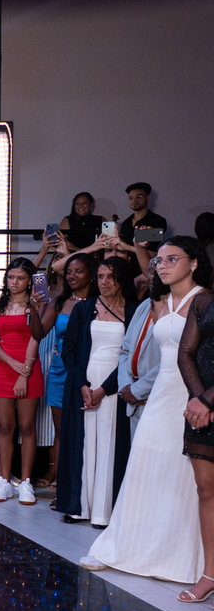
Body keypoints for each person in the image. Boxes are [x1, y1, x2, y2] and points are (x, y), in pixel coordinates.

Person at [80, 237, 208, 582]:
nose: (162, 266)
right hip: (161, 393)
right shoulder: (160, 301)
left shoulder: (203, 300)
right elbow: (135, 349)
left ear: (194, 262)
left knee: (181, 474)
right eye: (159, 261)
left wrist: (202, 398)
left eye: (172, 259)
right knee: (144, 466)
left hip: (188, 393)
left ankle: (176, 556)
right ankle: (127, 547)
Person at [56, 257, 140, 527]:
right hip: (84, 383)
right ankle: (79, 507)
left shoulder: (134, 311)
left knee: (110, 444)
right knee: (82, 444)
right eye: (100, 277)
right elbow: (69, 350)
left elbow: (132, 355)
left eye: (110, 277)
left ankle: (104, 512)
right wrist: (82, 384)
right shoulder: (84, 309)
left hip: (114, 385)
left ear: (121, 280)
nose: (104, 282)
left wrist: (105, 389)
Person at [31, 253, 96, 503]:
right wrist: (34, 309)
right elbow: (38, 333)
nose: (72, 276)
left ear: (91, 273)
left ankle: (89, 487)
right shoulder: (60, 302)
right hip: (60, 370)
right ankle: (62, 487)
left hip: (90, 370)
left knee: (88, 429)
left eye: (78, 271)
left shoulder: (100, 301)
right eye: (69, 271)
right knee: (62, 431)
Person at [0, 257, 44, 505]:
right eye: (11, 277)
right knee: (5, 427)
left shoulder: (36, 304)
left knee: (27, 426)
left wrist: (24, 372)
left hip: (29, 368)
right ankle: (3, 481)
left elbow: (36, 338)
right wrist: (12, 364)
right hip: (2, 367)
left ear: (29, 281)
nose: (14, 282)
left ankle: (26, 483)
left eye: (20, 278)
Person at [180, 276, 214, 604]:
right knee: (206, 489)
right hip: (200, 407)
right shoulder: (203, 300)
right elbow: (186, 353)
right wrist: (198, 398)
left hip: (206, 403)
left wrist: (207, 400)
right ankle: (210, 575)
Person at [118, 268, 163, 439]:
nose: (152, 276)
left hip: (156, 396)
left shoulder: (178, 308)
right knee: (137, 455)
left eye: (157, 271)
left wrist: (137, 390)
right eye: (150, 271)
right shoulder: (144, 305)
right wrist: (125, 387)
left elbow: (173, 359)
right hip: (133, 398)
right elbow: (125, 350)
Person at [119, 182, 167, 253]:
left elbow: (152, 247)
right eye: (131, 198)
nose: (134, 201)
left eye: (139, 197)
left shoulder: (158, 220)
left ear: (147, 198)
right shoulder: (126, 223)